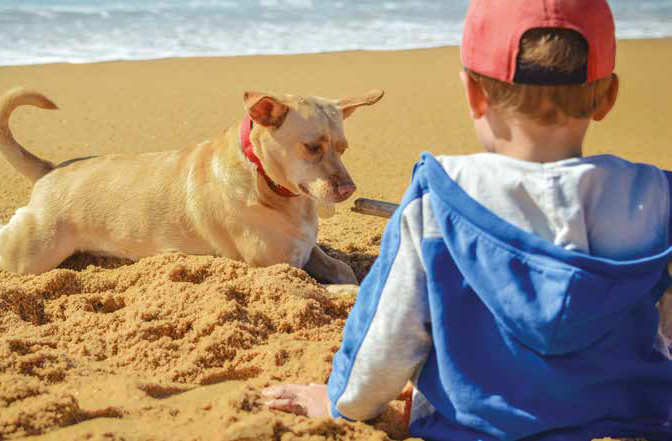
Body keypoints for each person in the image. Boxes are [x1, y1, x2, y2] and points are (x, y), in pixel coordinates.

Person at [261, 0, 672, 440]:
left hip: (474, 427)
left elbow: (387, 335)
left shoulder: (440, 197)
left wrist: (341, 400)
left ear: (474, 94)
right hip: (636, 421)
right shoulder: (658, 198)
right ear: (607, 97)